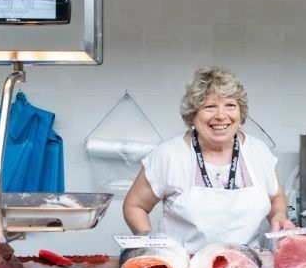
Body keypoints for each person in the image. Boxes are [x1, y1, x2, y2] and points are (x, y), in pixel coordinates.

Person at [123, 66, 295, 252]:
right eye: (210, 106)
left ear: (240, 112)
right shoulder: (169, 156)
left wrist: (278, 215)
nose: (221, 116)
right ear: (192, 115)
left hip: (245, 267)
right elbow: (135, 206)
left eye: (230, 105)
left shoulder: (258, 152)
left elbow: (276, 196)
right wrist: (152, 246)